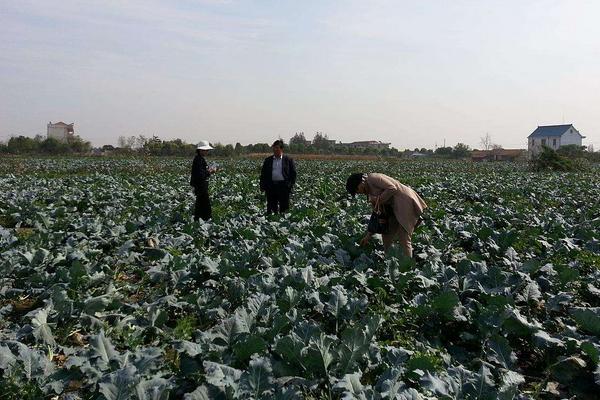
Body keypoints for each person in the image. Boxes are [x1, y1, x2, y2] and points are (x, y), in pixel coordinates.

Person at [346, 172, 427, 257]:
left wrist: (378, 199)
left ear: (360, 182)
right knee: (386, 235)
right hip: (392, 208)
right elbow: (377, 214)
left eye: (357, 190)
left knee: (404, 237)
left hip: (404, 203)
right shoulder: (368, 191)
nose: (359, 192)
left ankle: (409, 267)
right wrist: (368, 235)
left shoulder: (373, 178)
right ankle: (388, 262)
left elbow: (392, 188)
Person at [260, 140, 297, 214]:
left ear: (281, 149)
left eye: (277, 148)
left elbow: (293, 174)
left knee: (284, 209)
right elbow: (263, 174)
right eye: (274, 148)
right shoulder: (268, 160)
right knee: (271, 208)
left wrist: (289, 185)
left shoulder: (288, 160)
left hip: (283, 187)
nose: (275, 150)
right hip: (271, 187)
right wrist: (262, 186)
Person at [190, 140, 217, 221]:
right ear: (201, 150)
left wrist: (208, 171)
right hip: (200, 186)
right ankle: (205, 219)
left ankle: (198, 219)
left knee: (200, 204)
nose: (207, 152)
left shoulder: (199, 159)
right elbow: (200, 175)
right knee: (205, 204)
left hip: (200, 185)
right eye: (206, 150)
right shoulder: (198, 160)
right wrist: (210, 171)